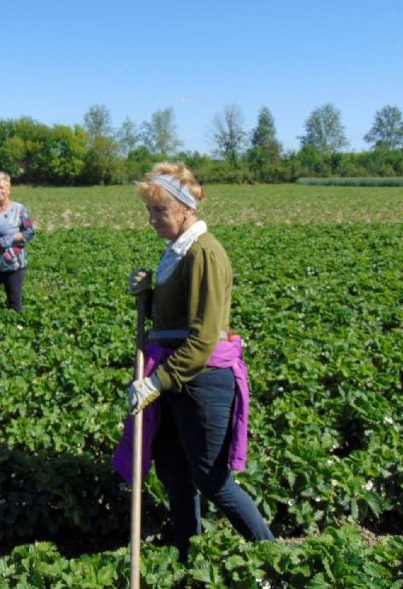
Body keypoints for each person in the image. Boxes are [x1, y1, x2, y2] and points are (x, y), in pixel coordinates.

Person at [126, 161, 274, 560]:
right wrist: (148, 296)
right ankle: (188, 554)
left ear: (186, 209)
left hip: (202, 379)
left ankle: (273, 555)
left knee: (212, 479)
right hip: (178, 377)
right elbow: (176, 316)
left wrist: (156, 382)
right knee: (174, 472)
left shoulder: (204, 252)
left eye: (160, 211)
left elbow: (205, 335)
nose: (152, 220)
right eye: (150, 211)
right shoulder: (177, 251)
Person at [0, 171, 36, 312]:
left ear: (8, 189)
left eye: (1, 187)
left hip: (13, 265)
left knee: (14, 303)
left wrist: (12, 238)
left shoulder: (19, 210)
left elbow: (30, 233)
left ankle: (20, 328)